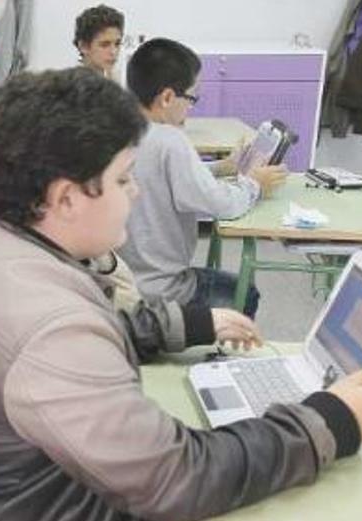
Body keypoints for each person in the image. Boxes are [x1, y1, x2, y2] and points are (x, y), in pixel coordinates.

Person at [0, 67, 362, 521]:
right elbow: (178, 479)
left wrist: (192, 321)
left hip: (13, 506)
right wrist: (333, 421)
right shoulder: (49, 332)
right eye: (123, 179)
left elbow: (84, 328)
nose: (136, 193)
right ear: (67, 199)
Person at [117, 38, 288, 317]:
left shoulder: (117, 128)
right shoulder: (171, 141)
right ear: (168, 97)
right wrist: (255, 184)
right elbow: (223, 205)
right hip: (163, 290)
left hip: (122, 282)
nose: (191, 108)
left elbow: (161, 176)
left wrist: (223, 167)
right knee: (245, 293)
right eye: (191, 98)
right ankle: (218, 355)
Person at [73, 4, 125, 79]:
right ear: (83, 46)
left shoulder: (120, 82)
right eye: (104, 45)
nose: (113, 52)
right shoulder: (69, 86)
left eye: (117, 44)